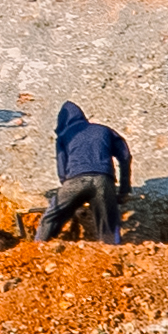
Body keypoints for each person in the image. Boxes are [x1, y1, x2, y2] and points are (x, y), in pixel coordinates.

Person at [36, 101, 132, 244]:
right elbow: (125, 157)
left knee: (51, 217)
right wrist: (124, 190)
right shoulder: (104, 130)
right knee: (108, 224)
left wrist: (70, 192)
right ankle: (112, 253)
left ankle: (39, 247)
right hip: (103, 179)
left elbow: (62, 168)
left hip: (76, 180)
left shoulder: (65, 134)